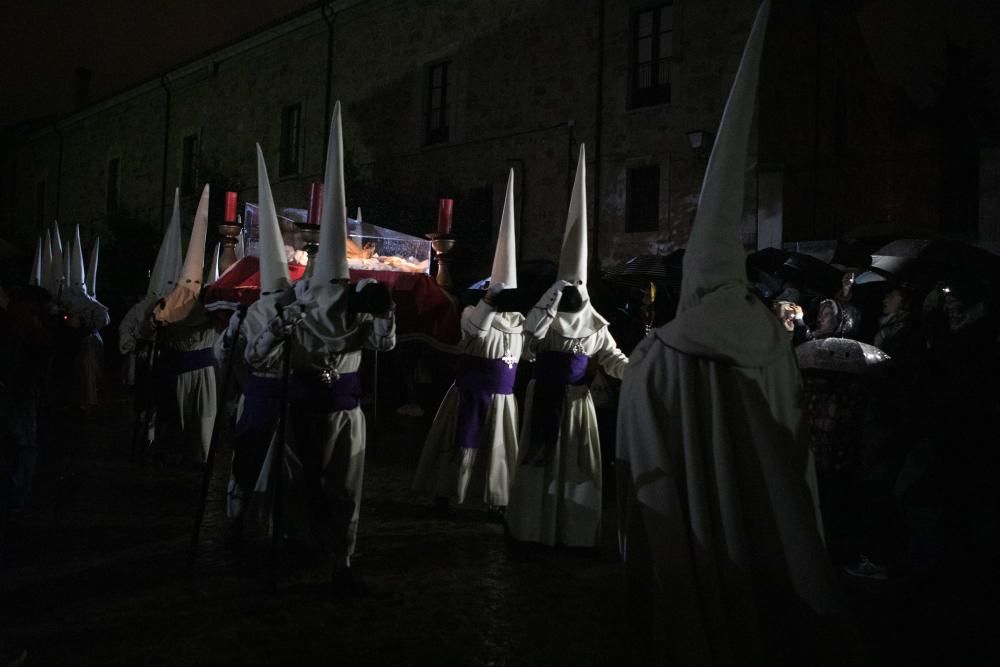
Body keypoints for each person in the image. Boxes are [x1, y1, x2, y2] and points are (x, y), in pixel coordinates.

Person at [616, 3, 854, 663]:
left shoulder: (655, 355)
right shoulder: (771, 341)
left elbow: (636, 456)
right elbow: (791, 442)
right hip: (761, 537)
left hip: (687, 540)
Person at [248, 104, 396, 594]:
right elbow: (256, 360)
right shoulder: (295, 310)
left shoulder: (358, 312)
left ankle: (342, 560)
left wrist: (383, 310)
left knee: (345, 488)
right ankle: (294, 544)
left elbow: (384, 344)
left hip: (345, 412)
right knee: (293, 484)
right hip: (302, 408)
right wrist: (281, 325)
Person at [504, 145, 628, 549]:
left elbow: (614, 360)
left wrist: (641, 368)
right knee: (540, 463)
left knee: (575, 464)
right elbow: (527, 340)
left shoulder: (596, 327)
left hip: (577, 404)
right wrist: (550, 298)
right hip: (545, 396)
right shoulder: (546, 321)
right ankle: (533, 528)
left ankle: (571, 531)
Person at [414, 169, 524, 512]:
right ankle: (451, 491)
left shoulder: (520, 324)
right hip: (471, 392)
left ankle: (495, 497)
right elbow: (473, 332)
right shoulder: (473, 313)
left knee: (498, 448)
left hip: (502, 398)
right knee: (462, 441)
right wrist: (489, 302)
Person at [213, 148, 298, 541]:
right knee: (249, 454)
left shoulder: (303, 307)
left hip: (292, 394)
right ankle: (239, 512)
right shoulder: (248, 312)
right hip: (261, 391)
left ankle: (282, 518)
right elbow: (229, 355)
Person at [150, 185, 218, 467]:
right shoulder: (165, 306)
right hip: (177, 370)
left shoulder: (210, 305)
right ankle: (176, 454)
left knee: (203, 421)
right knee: (177, 420)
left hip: (203, 370)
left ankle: (199, 456)